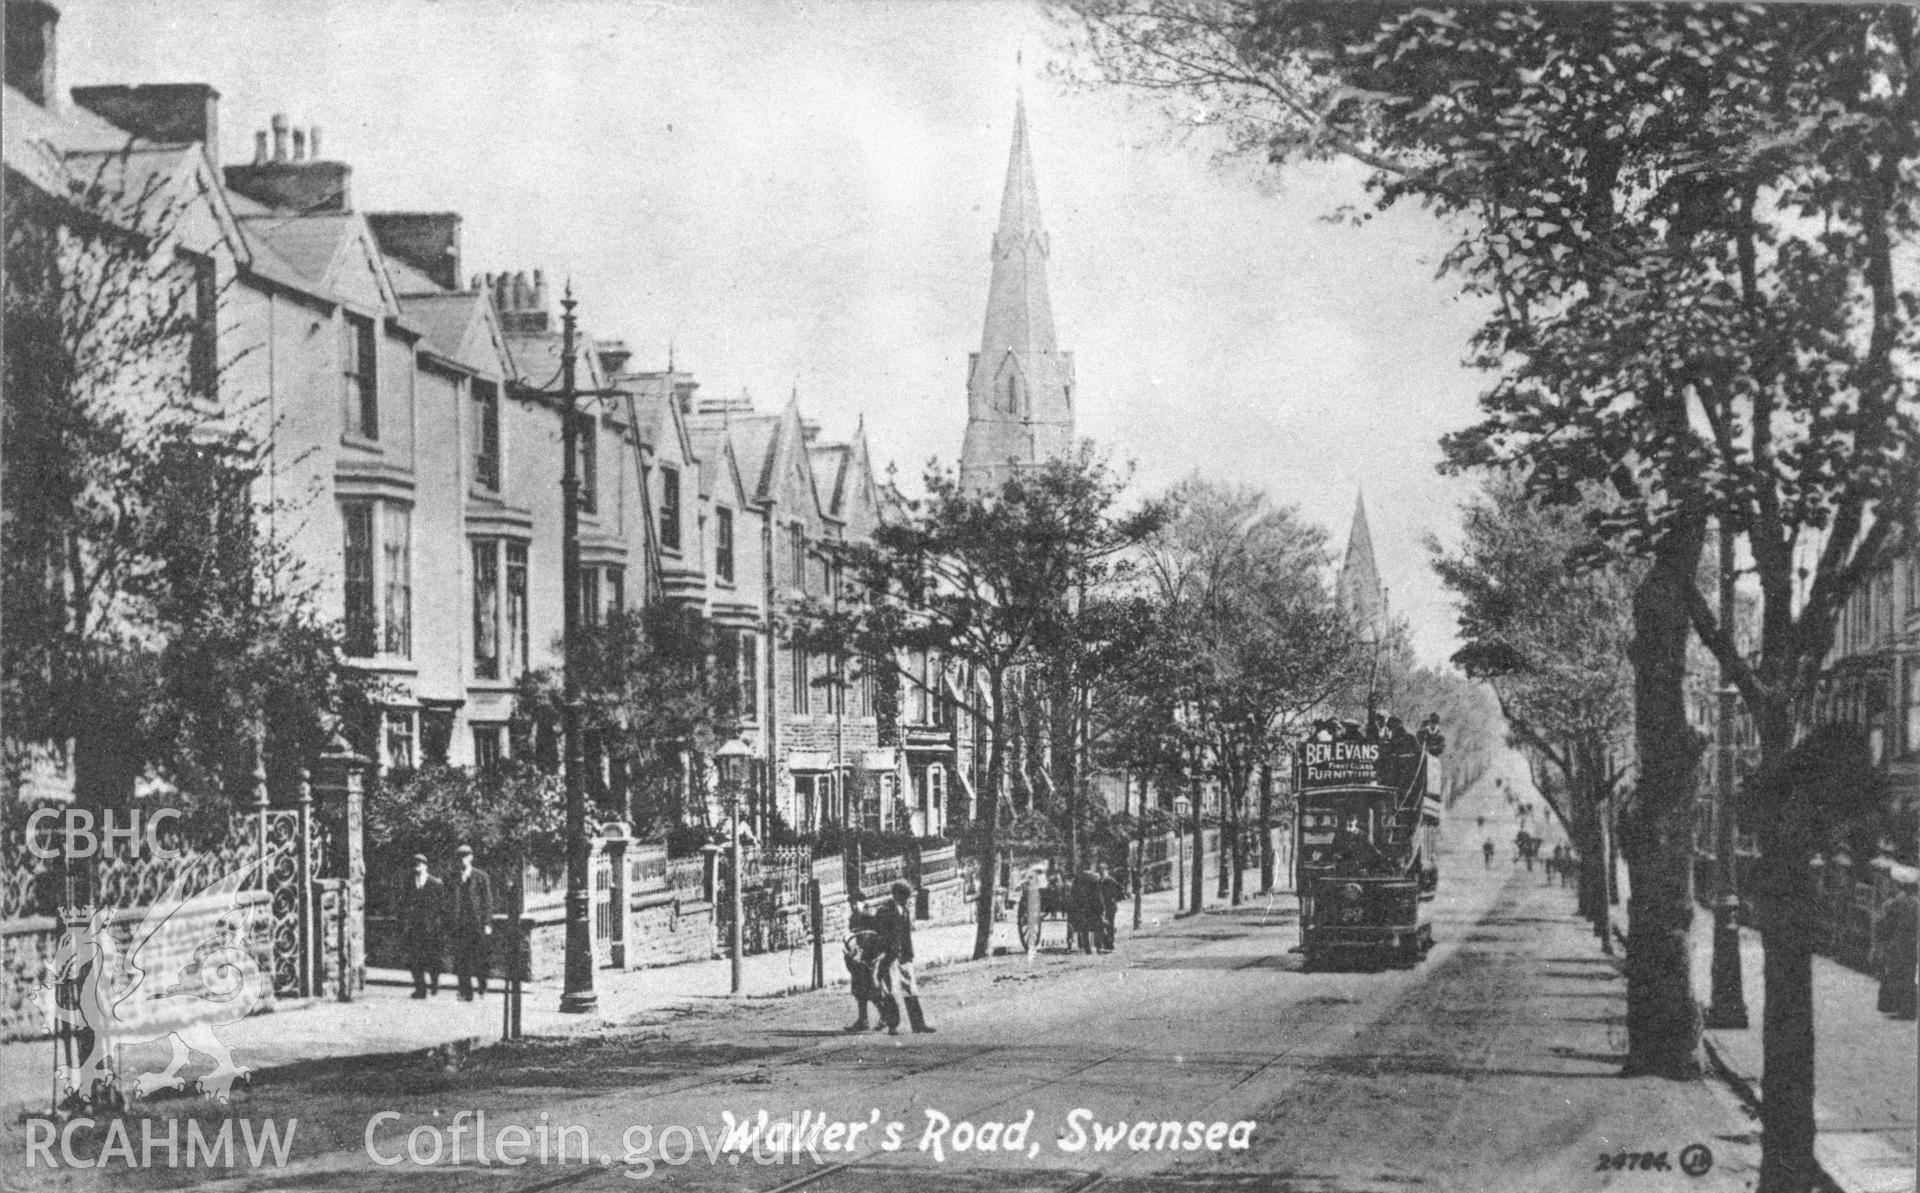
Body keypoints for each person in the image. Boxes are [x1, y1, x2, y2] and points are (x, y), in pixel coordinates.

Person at [874, 879, 933, 1034]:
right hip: (889, 956)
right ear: (897, 895)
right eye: (905, 896)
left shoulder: (904, 910)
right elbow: (879, 935)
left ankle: (918, 1024)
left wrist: (909, 954)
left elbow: (906, 936)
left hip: (903, 956)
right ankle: (893, 1025)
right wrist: (886, 952)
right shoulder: (884, 911)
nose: (908, 900)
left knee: (911, 989)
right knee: (891, 992)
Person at [447, 844, 494, 1001]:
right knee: (461, 960)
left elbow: (487, 901)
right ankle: (466, 992)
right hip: (460, 924)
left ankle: (482, 985)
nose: (462, 860)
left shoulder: (480, 876)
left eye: (465, 856)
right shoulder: (453, 877)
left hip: (477, 924)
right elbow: (449, 901)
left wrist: (487, 923)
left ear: (471, 857)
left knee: (480, 957)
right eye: (460, 857)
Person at [842, 898, 896, 1032]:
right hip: (859, 958)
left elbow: (877, 937)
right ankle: (863, 1020)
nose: (854, 905)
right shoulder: (853, 919)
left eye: (856, 902)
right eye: (851, 903)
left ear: (863, 903)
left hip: (871, 957)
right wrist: (852, 952)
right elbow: (853, 939)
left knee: (872, 990)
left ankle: (884, 1017)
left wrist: (874, 955)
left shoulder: (870, 918)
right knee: (859, 991)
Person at [398, 853, 445, 999]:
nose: (417, 866)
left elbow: (442, 907)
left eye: (420, 863)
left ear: (426, 865)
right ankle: (420, 988)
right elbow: (403, 904)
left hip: (432, 928)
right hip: (414, 927)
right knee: (414, 959)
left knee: (433, 958)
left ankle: (435, 982)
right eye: (415, 864)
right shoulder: (408, 883)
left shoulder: (436, 883)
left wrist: (440, 926)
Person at [1876, 877, 1917, 1021]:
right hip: (1911, 944)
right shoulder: (1915, 903)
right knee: (1909, 977)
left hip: (1900, 943)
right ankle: (1907, 1010)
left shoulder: (1899, 902)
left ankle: (1902, 1009)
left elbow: (1889, 924)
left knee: (1899, 975)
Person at [1068, 866, 1101, 954]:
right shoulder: (1094, 878)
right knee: (1097, 926)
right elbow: (1097, 894)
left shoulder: (1077, 879)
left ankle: (1085, 947)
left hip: (1080, 905)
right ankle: (1098, 947)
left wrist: (1073, 905)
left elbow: (1072, 894)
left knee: (1083, 927)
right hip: (1091, 905)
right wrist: (1100, 906)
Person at [1095, 863, 1125, 953]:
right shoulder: (1099, 881)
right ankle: (1106, 943)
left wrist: (1114, 899)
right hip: (1101, 906)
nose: (1100, 873)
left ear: (1106, 870)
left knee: (1110, 925)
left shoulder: (1111, 880)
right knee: (1102, 925)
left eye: (1102, 871)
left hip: (1110, 906)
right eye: (1099, 871)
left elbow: (1120, 891)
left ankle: (1110, 944)